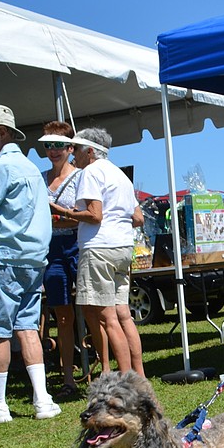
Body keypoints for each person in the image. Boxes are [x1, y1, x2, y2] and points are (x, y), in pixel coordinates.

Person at [0, 104, 61, 422]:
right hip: (34, 260)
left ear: (1, 132)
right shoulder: (32, 168)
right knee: (29, 329)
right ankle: (43, 400)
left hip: (4, 257)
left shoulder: (0, 168)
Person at [71, 127, 145, 376]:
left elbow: (94, 215)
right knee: (123, 315)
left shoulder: (91, 172)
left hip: (99, 248)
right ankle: (138, 375)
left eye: (76, 150)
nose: (73, 155)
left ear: (90, 151)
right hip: (122, 247)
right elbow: (138, 217)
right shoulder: (120, 174)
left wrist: (63, 212)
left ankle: (124, 379)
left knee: (107, 318)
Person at [39, 121, 81, 397]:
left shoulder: (81, 177)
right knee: (62, 315)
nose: (53, 151)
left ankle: (102, 370)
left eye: (58, 145)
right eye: (48, 145)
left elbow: (85, 214)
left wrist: (59, 215)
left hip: (78, 244)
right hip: (50, 248)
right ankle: (68, 378)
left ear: (70, 147)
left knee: (94, 311)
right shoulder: (40, 178)